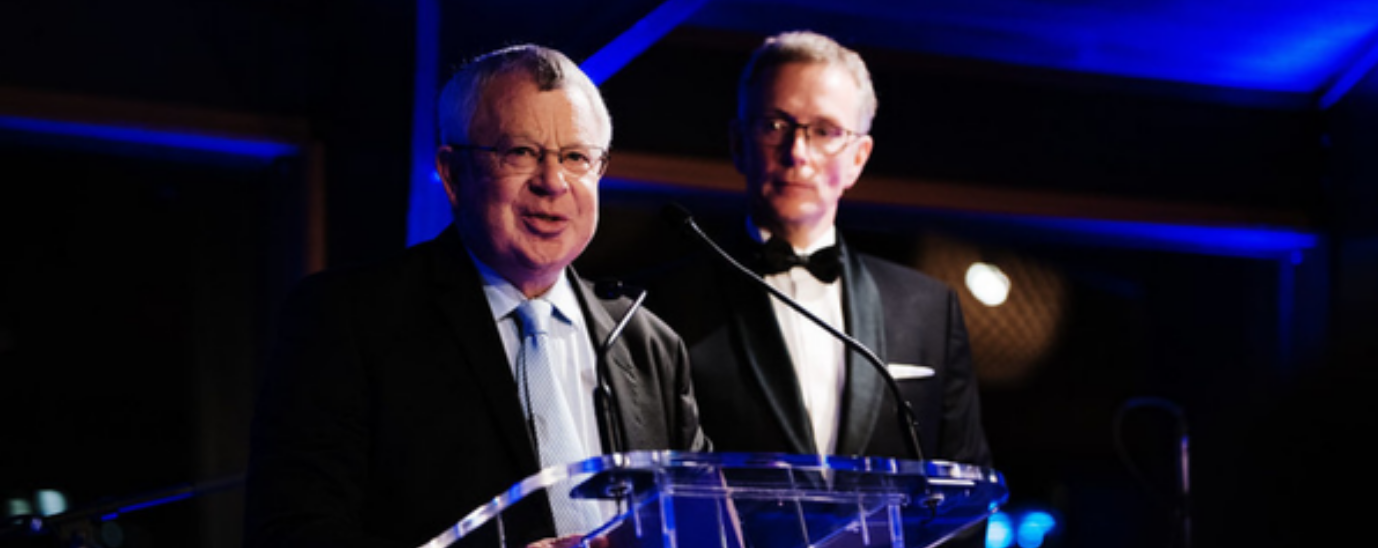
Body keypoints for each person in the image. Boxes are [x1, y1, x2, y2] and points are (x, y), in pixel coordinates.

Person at [243, 44, 709, 548]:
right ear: (452, 173)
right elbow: (293, 534)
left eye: (576, 157)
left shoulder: (650, 345)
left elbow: (707, 526)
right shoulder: (346, 319)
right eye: (521, 152)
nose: (553, 182)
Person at [642, 26, 991, 503]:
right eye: (774, 126)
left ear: (858, 158)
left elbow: (966, 490)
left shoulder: (929, 309)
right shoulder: (659, 306)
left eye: (825, 131)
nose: (797, 153)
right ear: (738, 143)